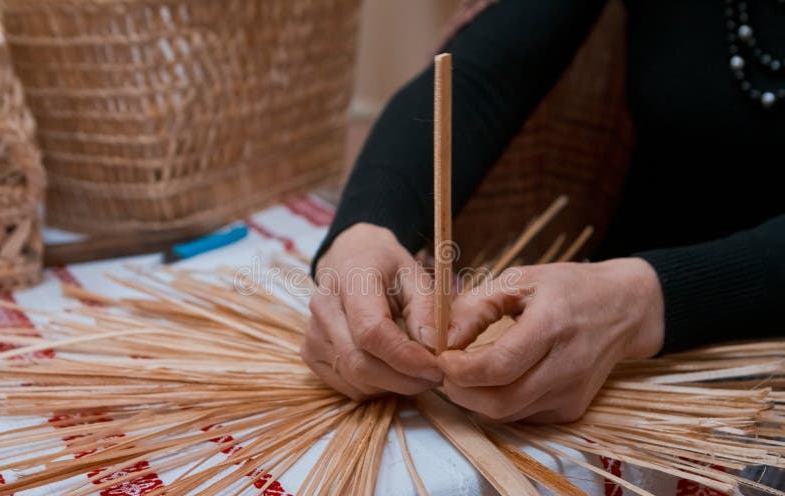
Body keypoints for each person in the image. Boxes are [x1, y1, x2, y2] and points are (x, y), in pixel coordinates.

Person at [299, 0, 785, 423]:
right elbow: (484, 75)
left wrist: (644, 299)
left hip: (734, 366)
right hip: (590, 325)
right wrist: (366, 228)